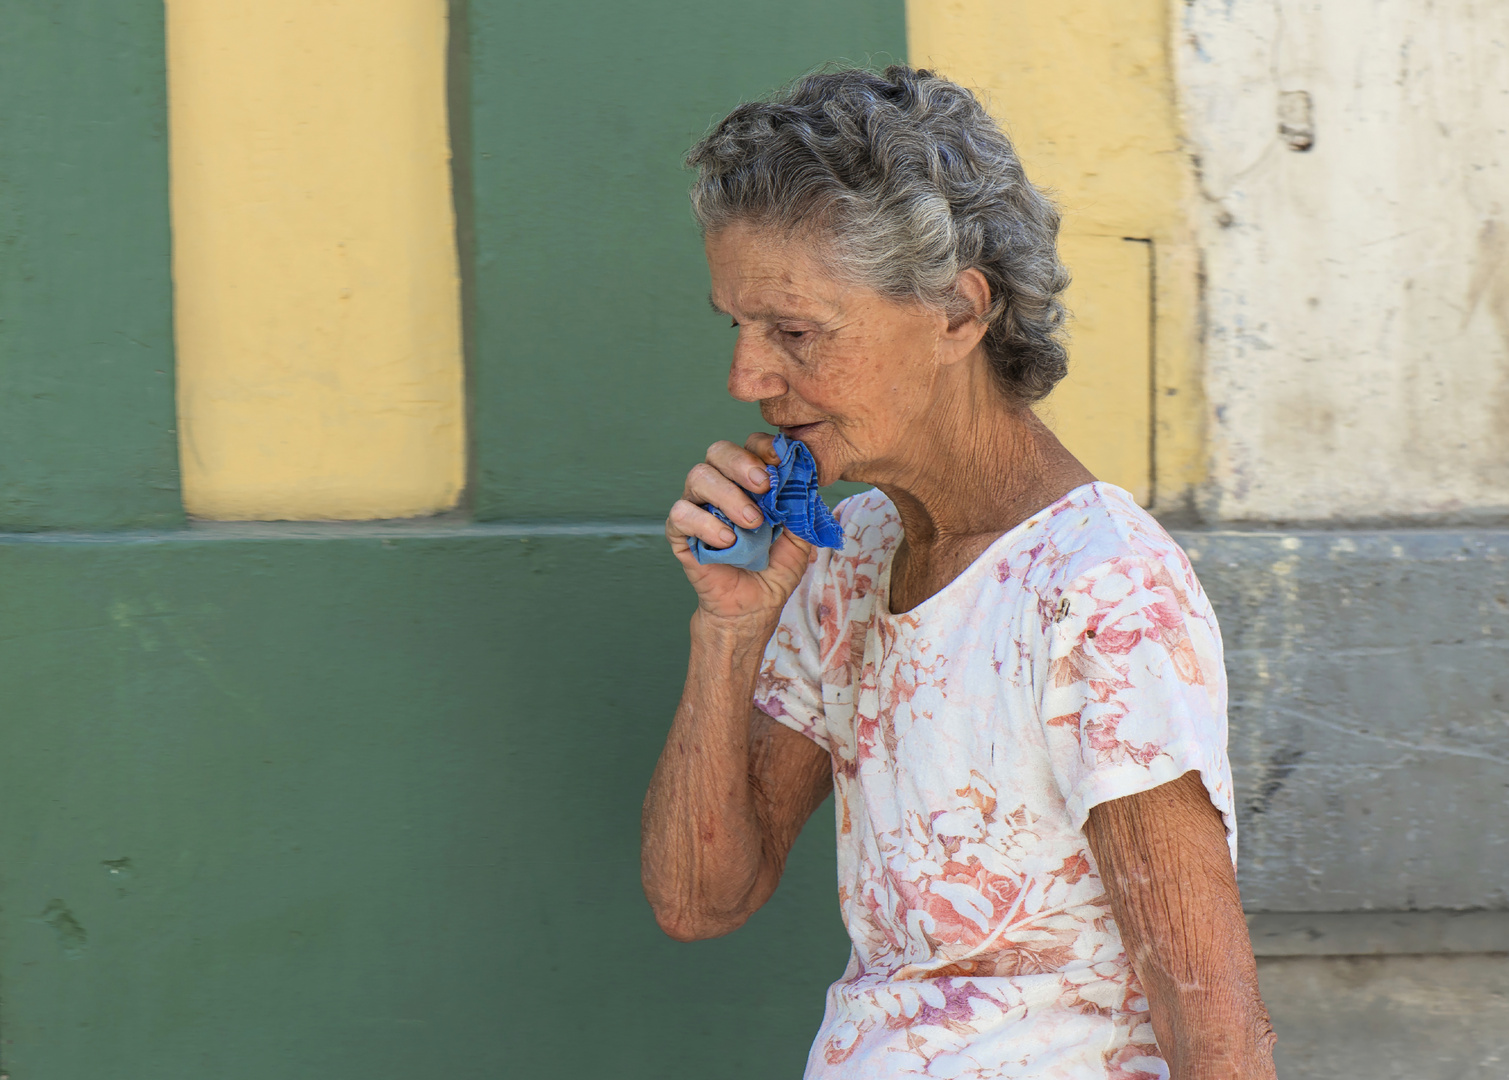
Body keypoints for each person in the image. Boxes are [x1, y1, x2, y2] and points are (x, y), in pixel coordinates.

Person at [640, 66, 1276, 1080]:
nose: (746, 378)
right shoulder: (846, 561)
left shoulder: (1100, 590)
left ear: (957, 312)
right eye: (739, 327)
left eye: (794, 332)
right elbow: (699, 899)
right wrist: (729, 628)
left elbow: (1217, 1026)